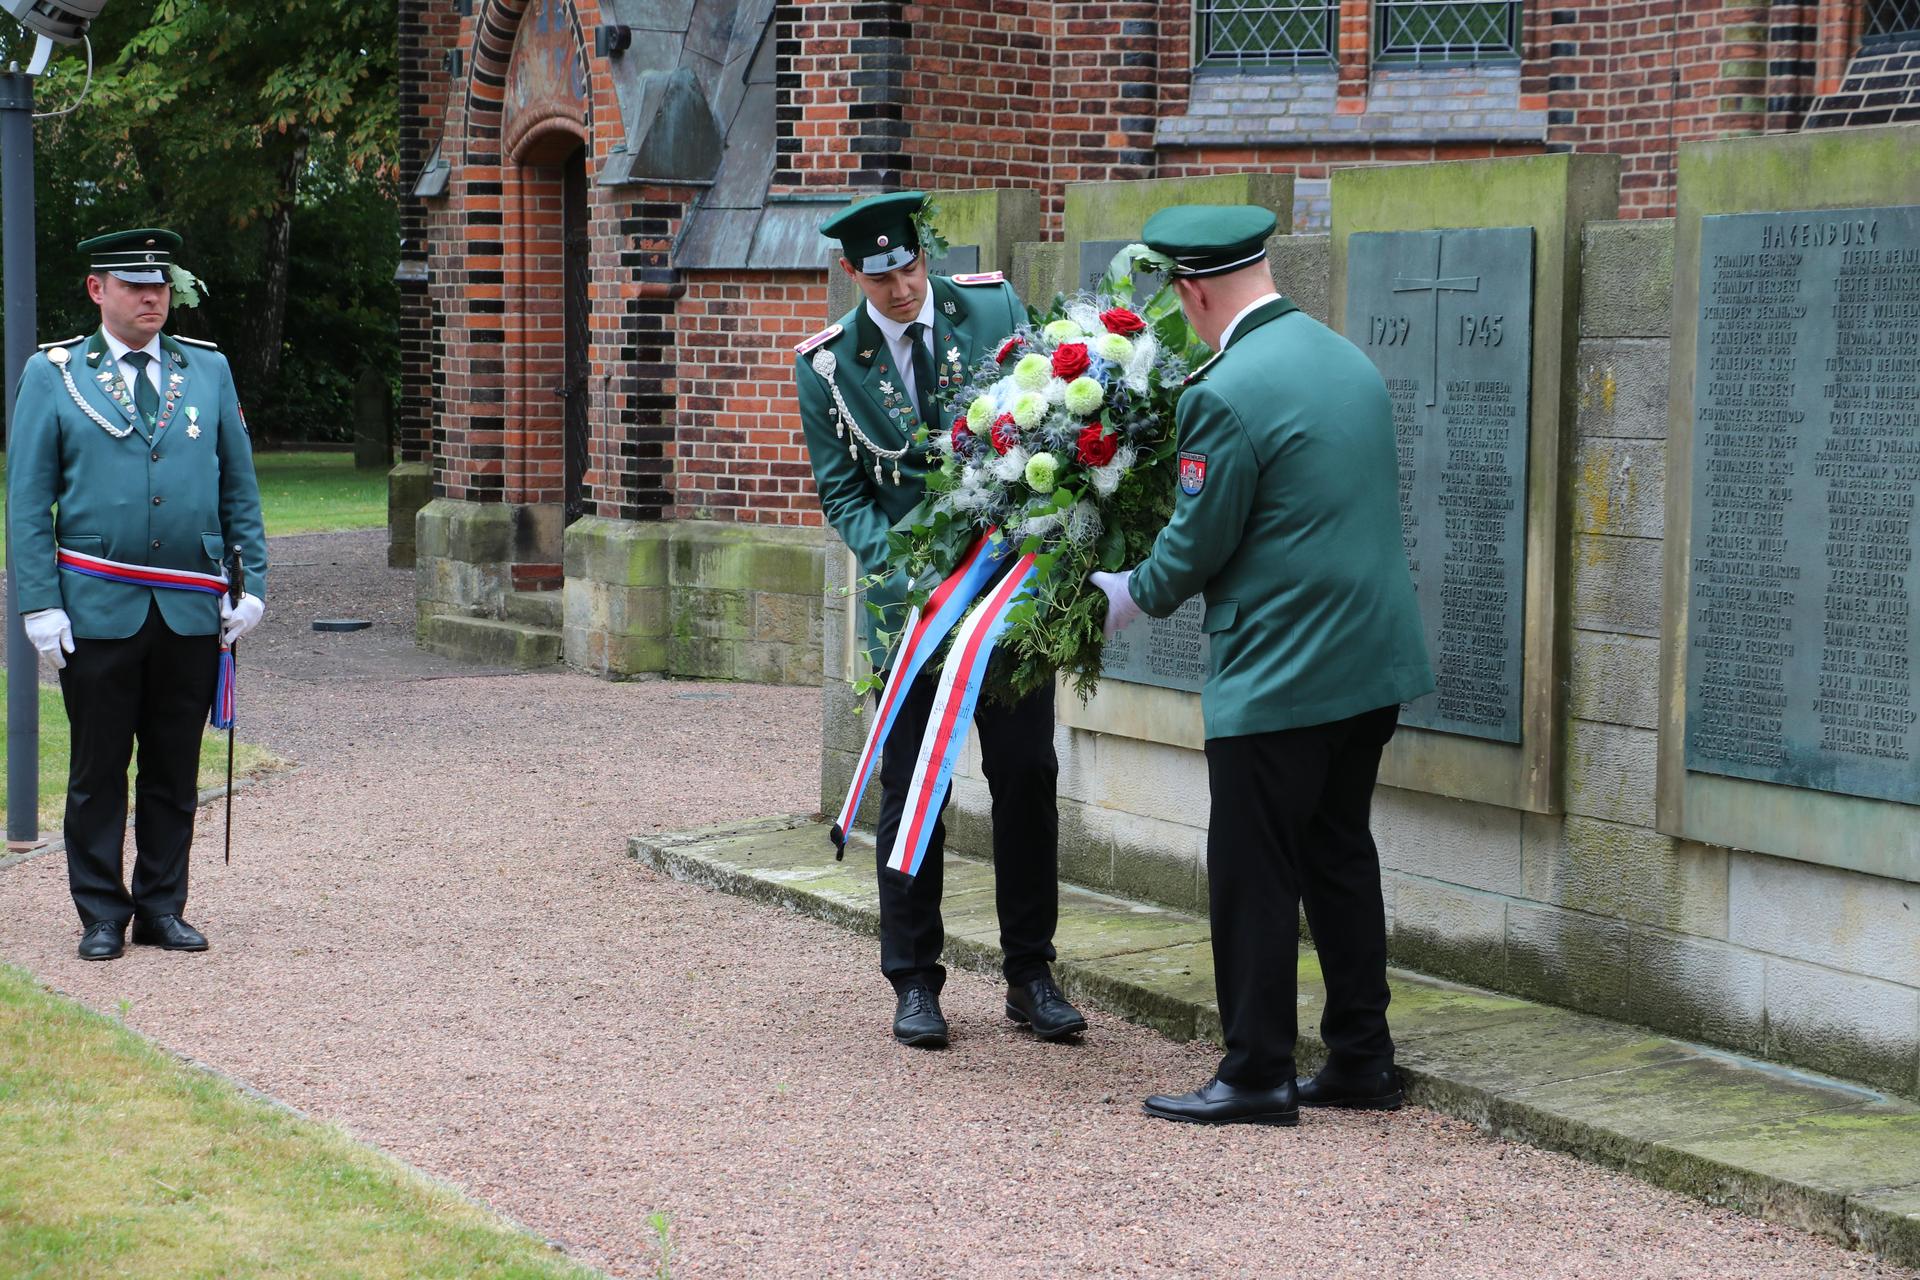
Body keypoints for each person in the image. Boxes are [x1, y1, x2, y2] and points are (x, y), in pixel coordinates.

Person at [1091, 204, 1433, 1125]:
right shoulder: (1347, 360)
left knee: (1252, 868)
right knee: (1339, 856)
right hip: (1371, 665)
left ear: (1196, 289)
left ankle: (1254, 1073)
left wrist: (1126, 595)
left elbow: (1199, 542)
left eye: (1181, 298)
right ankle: (1363, 1059)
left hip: (1280, 668)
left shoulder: (1226, 390)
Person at [793, 191, 1086, 1048]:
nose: (903, 290)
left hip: (1005, 596)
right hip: (915, 613)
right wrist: (904, 570)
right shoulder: (828, 369)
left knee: (1028, 776)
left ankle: (1031, 974)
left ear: (925, 254)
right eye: (882, 277)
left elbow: (1052, 425)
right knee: (914, 790)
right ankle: (914, 980)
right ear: (855, 274)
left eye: (912, 268)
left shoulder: (989, 307)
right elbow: (843, 491)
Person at [7, 228, 268, 961]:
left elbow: (237, 487)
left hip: (188, 606)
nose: (152, 296)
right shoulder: (52, 374)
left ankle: (161, 906)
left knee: (172, 767)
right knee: (96, 772)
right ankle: (99, 913)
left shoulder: (207, 371)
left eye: (159, 284)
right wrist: (38, 602)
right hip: (94, 606)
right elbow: (28, 503)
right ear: (99, 290)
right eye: (134, 285)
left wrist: (252, 585)